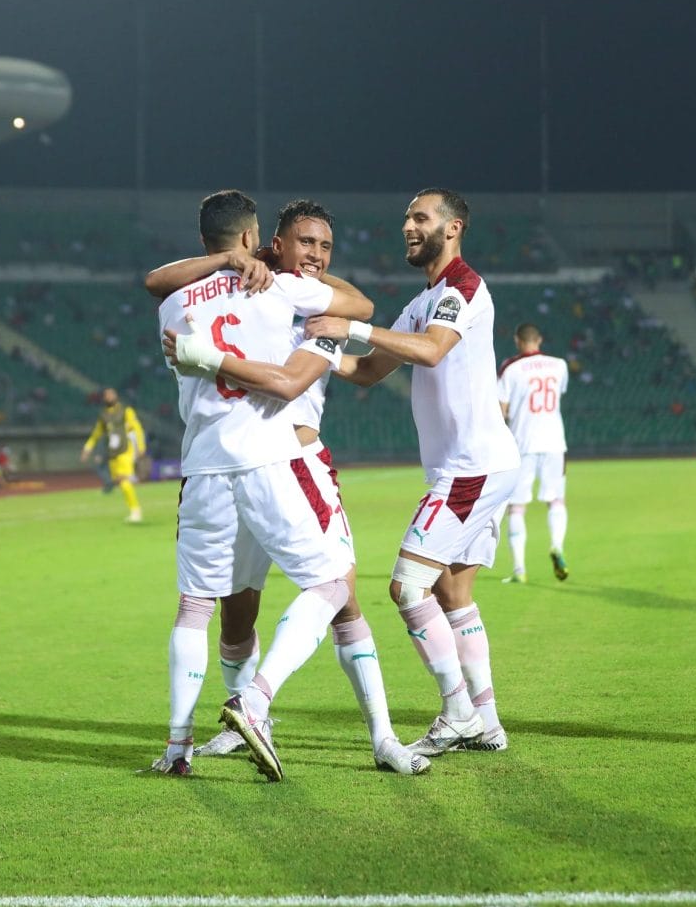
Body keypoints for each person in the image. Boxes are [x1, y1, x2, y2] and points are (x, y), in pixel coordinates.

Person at [148, 188, 428, 781]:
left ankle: (380, 735)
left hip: (261, 464)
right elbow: (353, 315)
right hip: (271, 460)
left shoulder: (184, 302)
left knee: (340, 595)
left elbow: (157, 281)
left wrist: (349, 325)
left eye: (327, 245)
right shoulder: (282, 292)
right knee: (237, 615)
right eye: (306, 242)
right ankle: (253, 714)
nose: (318, 254)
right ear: (267, 242)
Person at [300, 188, 521, 755]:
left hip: (472, 469)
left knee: (406, 585)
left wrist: (351, 328)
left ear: (453, 229)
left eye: (420, 217)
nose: (407, 226)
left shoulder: (463, 288)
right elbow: (371, 370)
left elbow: (430, 351)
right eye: (406, 217)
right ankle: (487, 720)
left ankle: (457, 712)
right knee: (452, 591)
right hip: (471, 467)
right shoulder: (423, 301)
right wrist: (317, 348)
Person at [496, 322, 570, 583]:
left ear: (518, 341)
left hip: (522, 444)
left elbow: (501, 410)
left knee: (517, 508)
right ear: (539, 340)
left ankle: (519, 570)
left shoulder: (510, 368)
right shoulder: (559, 365)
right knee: (556, 500)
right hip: (554, 443)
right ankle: (557, 546)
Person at [79, 388, 146, 521]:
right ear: (104, 398)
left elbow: (137, 427)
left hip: (125, 450)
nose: (110, 397)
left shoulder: (126, 411)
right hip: (113, 453)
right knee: (120, 482)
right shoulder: (103, 415)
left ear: (116, 396)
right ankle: (133, 510)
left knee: (123, 479)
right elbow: (96, 434)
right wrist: (87, 448)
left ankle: (136, 512)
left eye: (112, 394)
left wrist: (141, 446)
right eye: (107, 395)